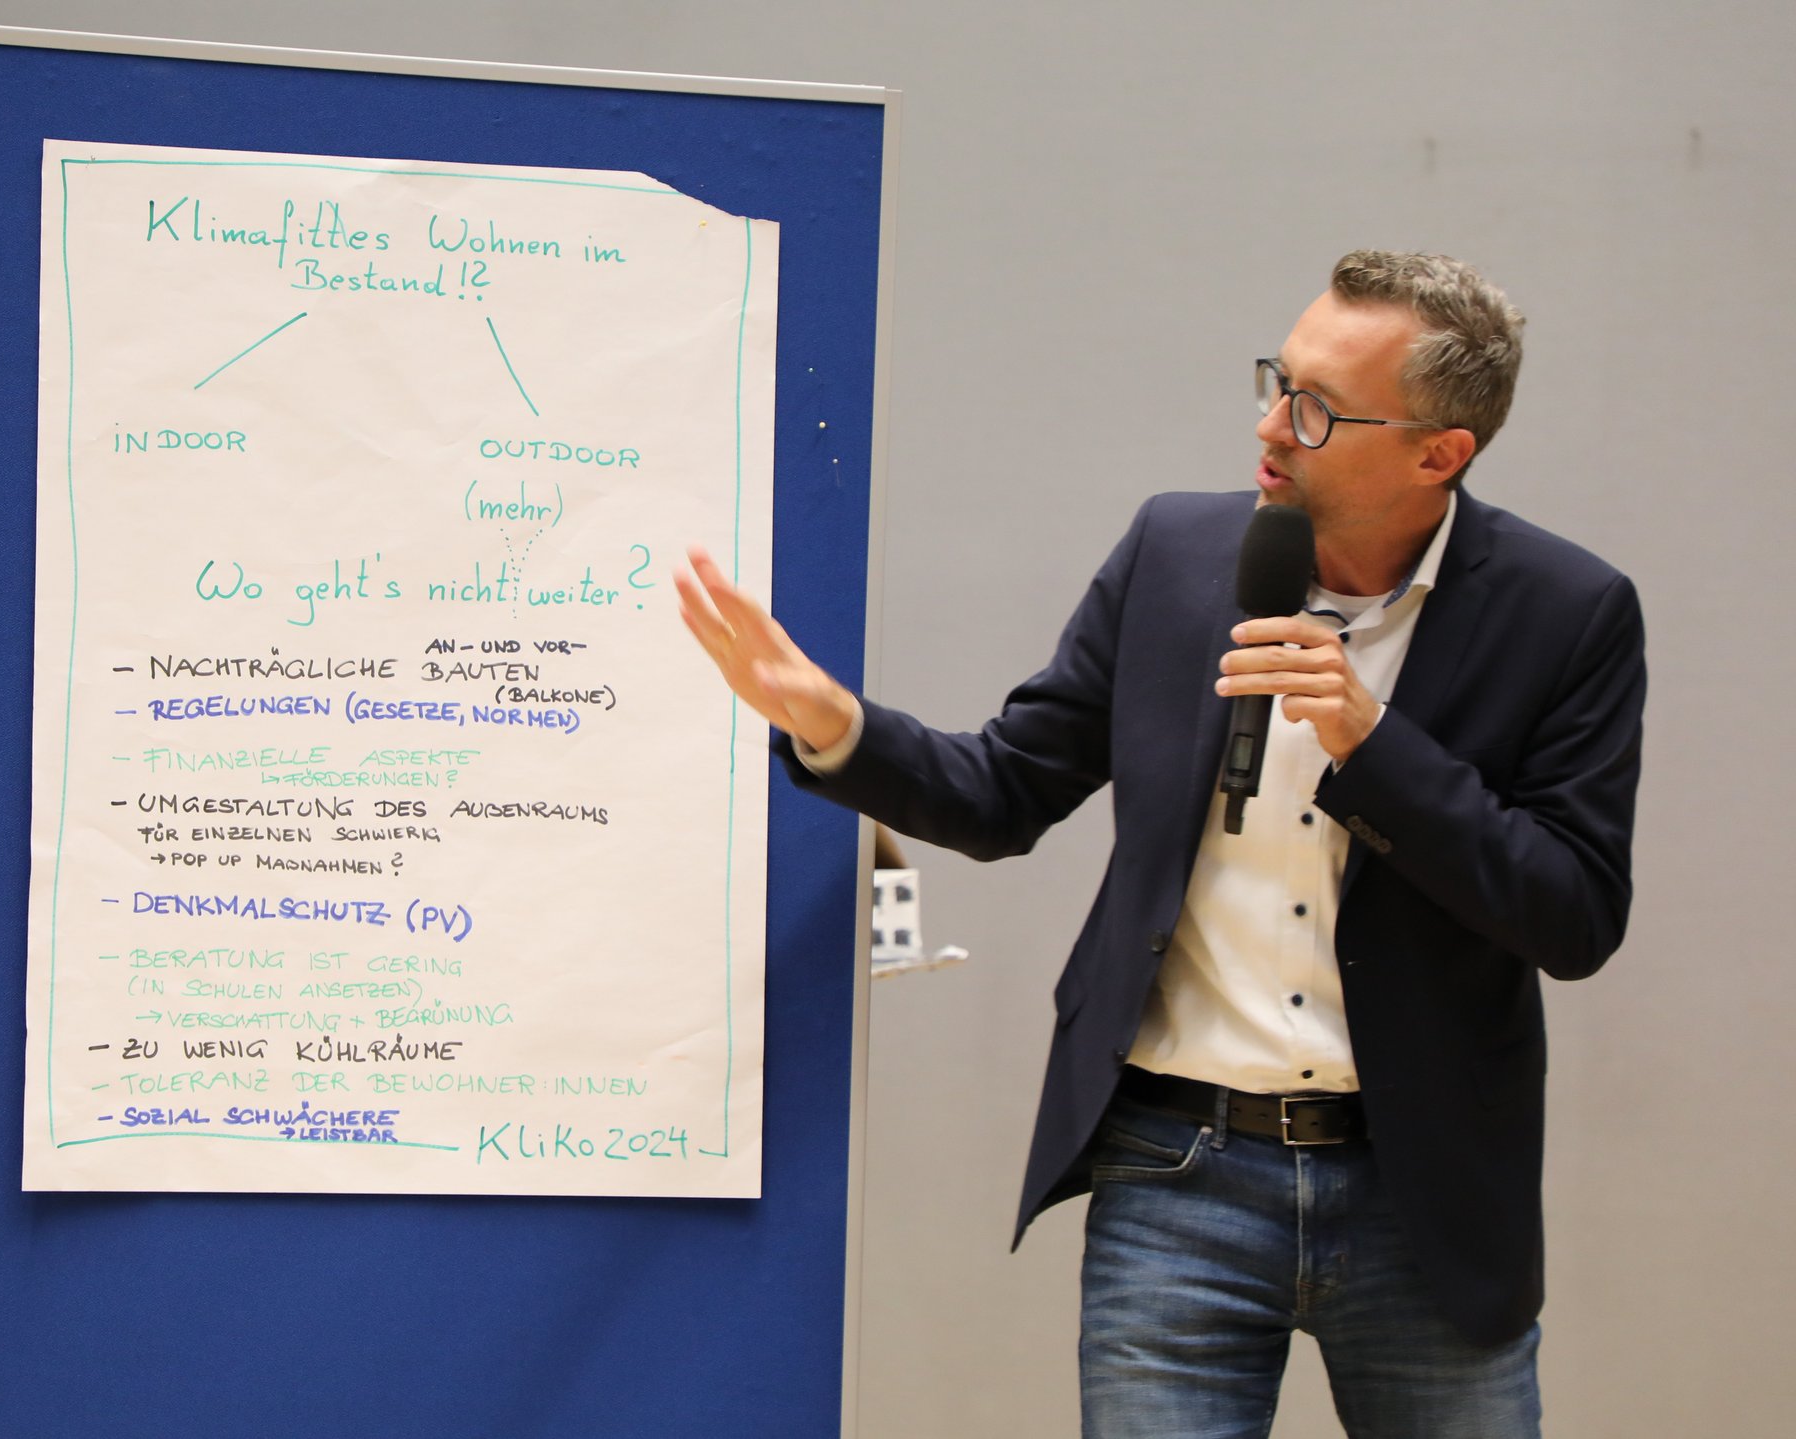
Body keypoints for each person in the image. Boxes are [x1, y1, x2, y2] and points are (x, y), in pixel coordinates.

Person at [676, 251, 1644, 1438]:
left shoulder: (1567, 610)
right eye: (1277, 380)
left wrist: (1374, 744)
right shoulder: (1178, 552)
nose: (1271, 425)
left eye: (1317, 408)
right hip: (1177, 1165)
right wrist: (834, 724)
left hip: (1425, 1184)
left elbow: (1574, 912)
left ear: (1439, 453)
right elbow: (1005, 789)